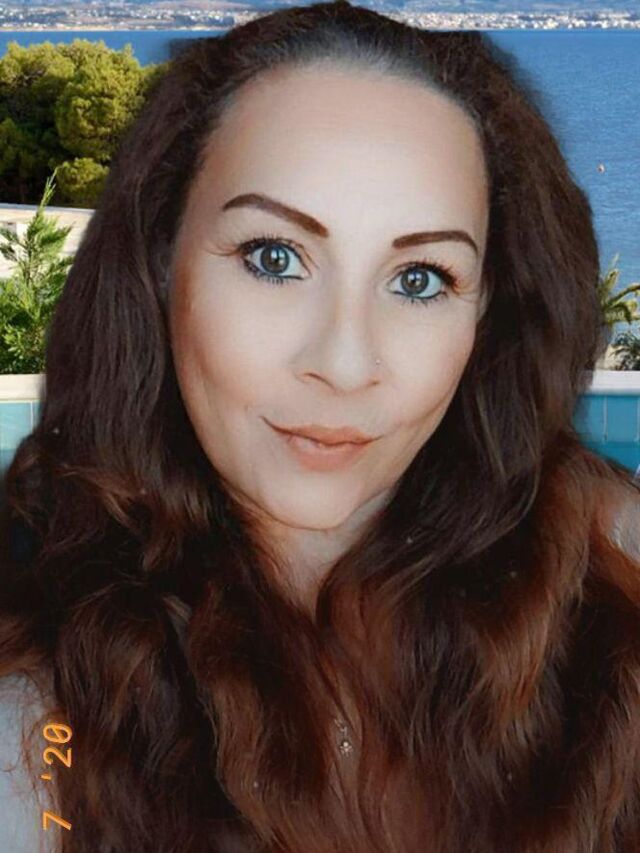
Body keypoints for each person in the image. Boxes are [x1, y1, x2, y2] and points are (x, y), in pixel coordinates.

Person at [1, 1, 639, 850]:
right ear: (160, 263)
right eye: (274, 258)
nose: (344, 364)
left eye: (419, 279)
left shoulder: (608, 567)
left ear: (486, 311)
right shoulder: (38, 713)